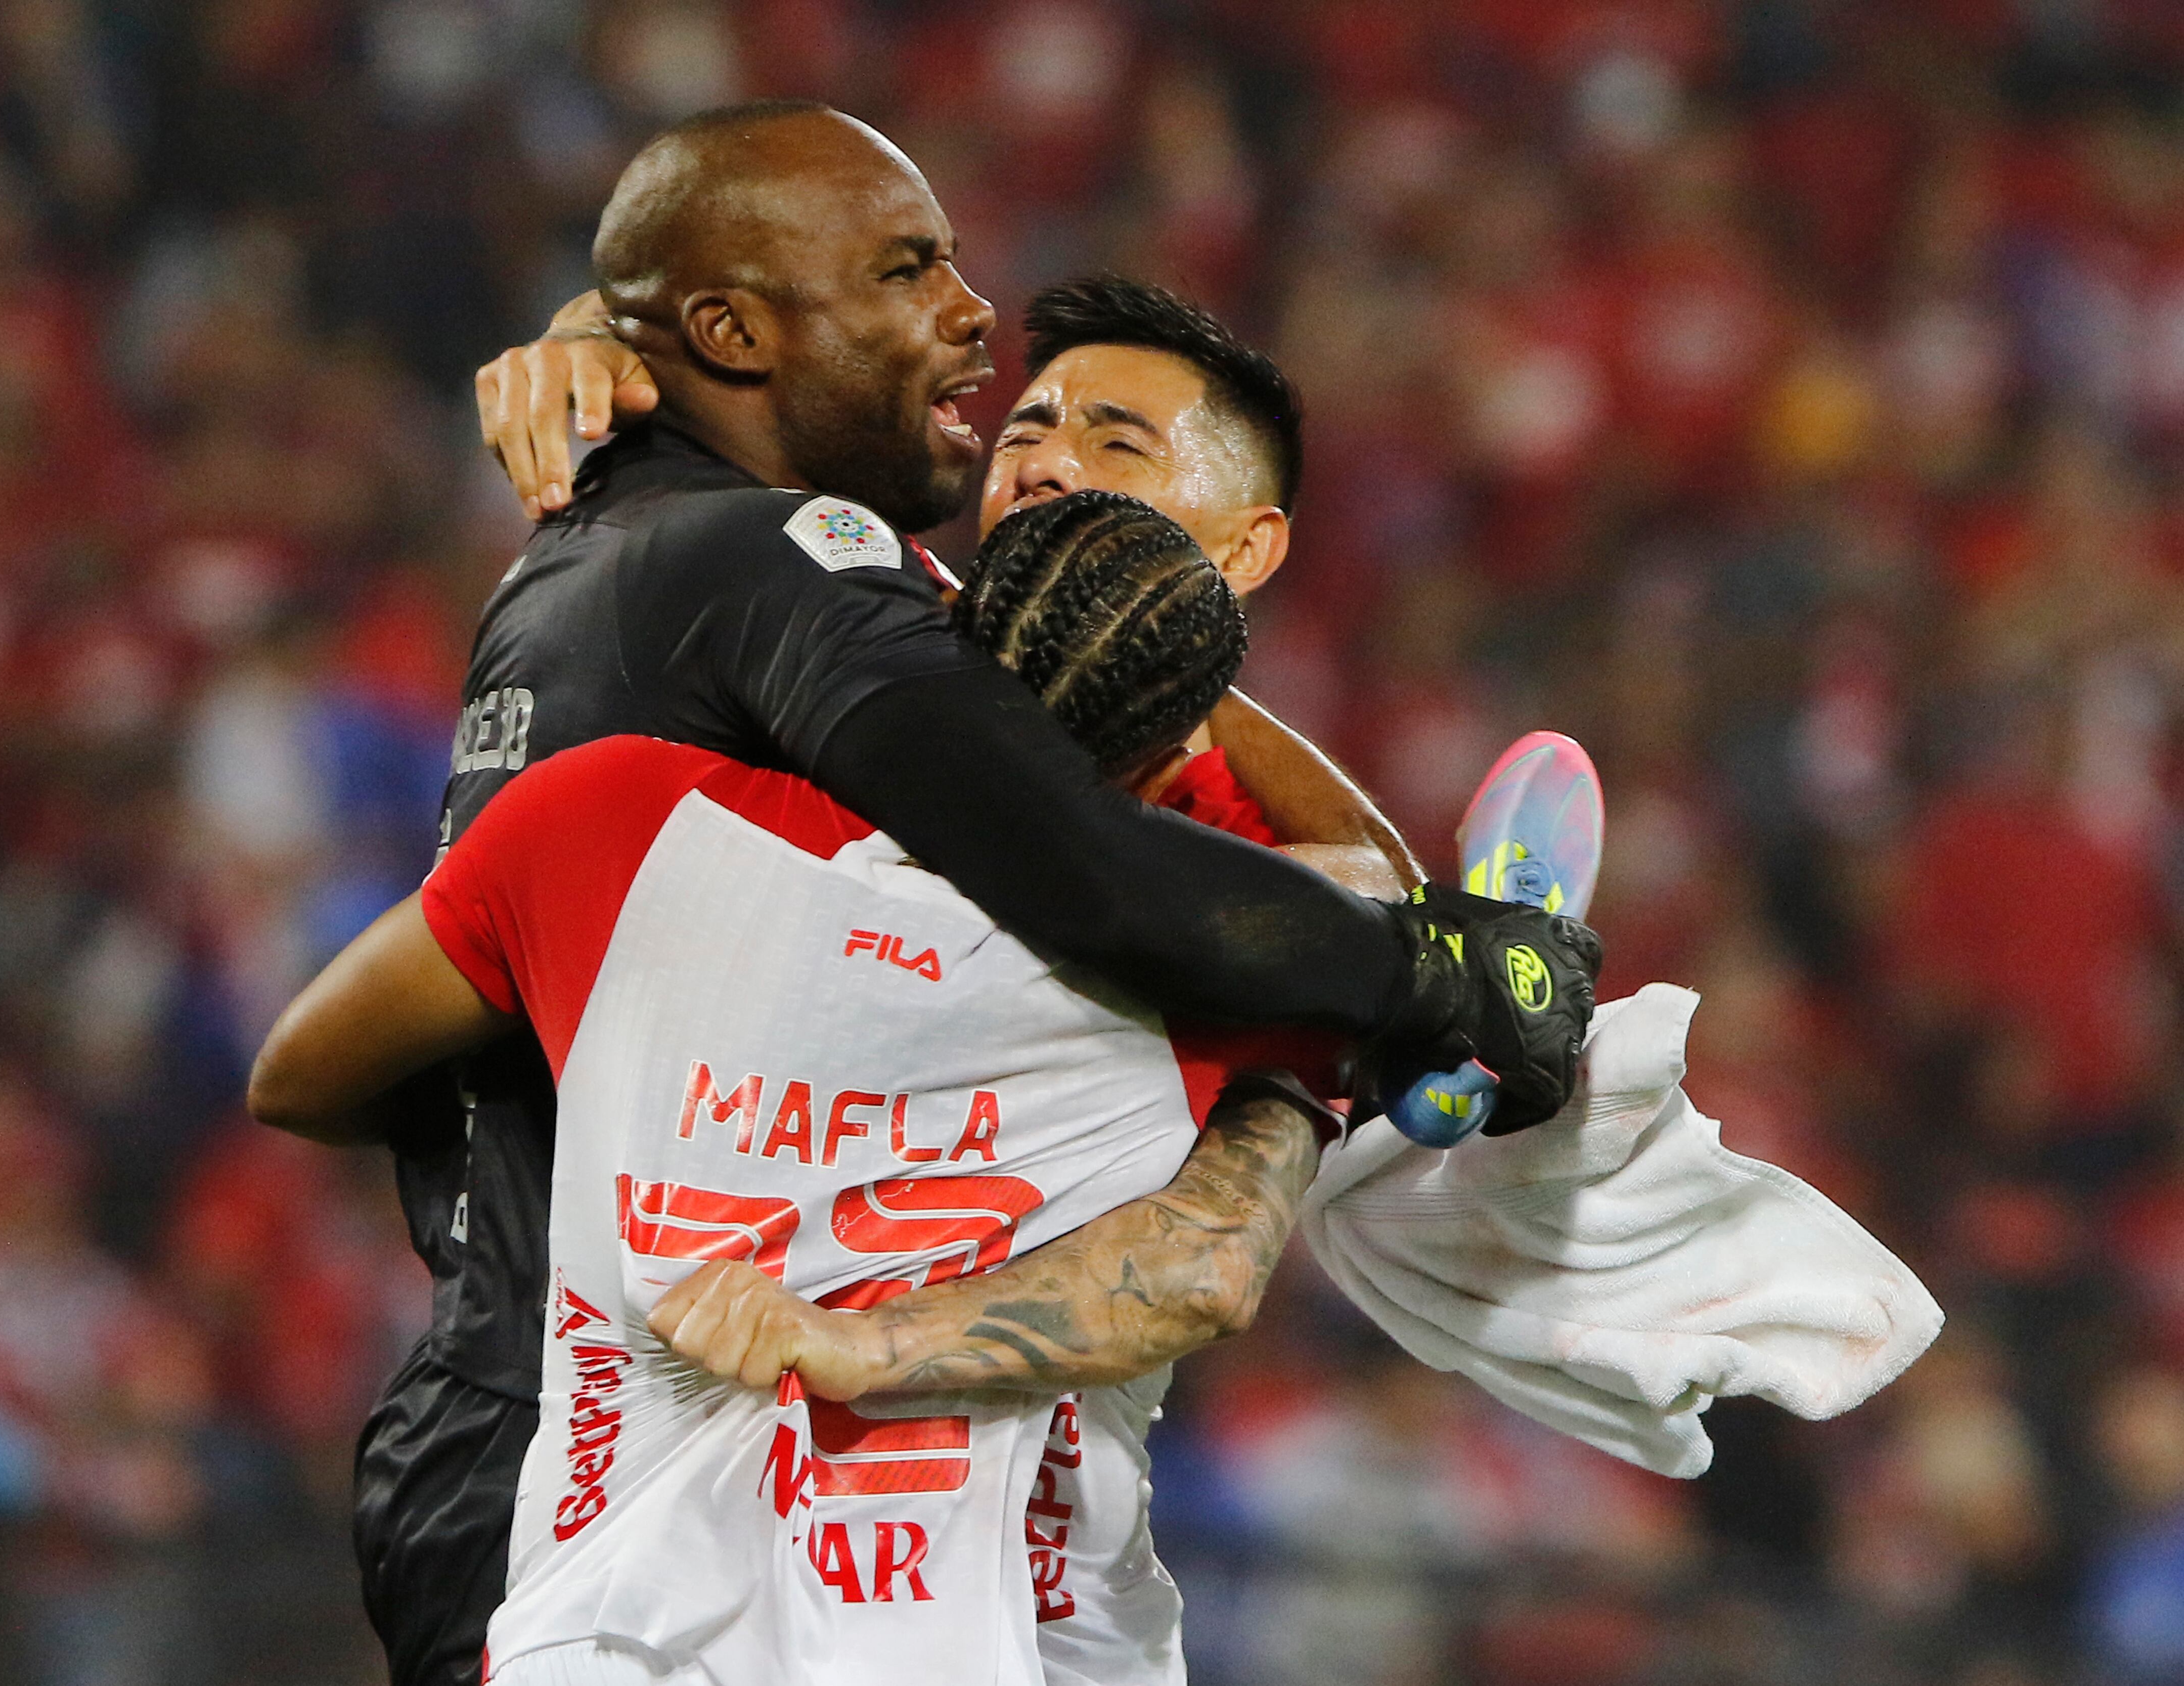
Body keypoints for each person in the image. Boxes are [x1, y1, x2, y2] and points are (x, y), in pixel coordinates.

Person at [287, 100, 1595, 1686]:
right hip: (628, 1459)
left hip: (791, 1488)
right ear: (731, 332)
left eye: (1111, 446)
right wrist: (1432, 979)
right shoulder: (771, 621)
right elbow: (1118, 898)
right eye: (912, 269)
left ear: (1248, 547)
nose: (980, 334)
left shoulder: (683, 594)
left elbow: (317, 1067)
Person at [251, 492, 1529, 1684]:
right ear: (1170, 763)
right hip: (916, 1639)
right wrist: (859, 1344)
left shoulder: (606, 817)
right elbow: (1216, 1238)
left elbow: (301, 1071)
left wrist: (582, 1118)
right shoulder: (1194, 998)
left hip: (593, 1621)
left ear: (941, 648)